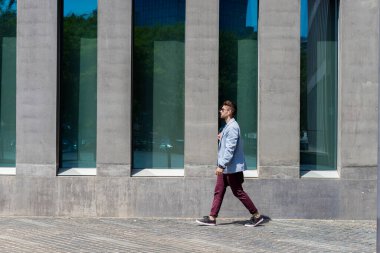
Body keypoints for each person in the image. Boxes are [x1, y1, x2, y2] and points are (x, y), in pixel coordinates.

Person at [196, 100, 264, 227]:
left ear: (229, 111)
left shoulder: (233, 127)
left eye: (222, 109)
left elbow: (230, 149)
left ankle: (256, 216)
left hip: (230, 168)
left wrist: (221, 165)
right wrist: (222, 136)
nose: (220, 111)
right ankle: (212, 217)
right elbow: (228, 142)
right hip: (227, 168)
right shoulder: (228, 127)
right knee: (219, 191)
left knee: (238, 191)